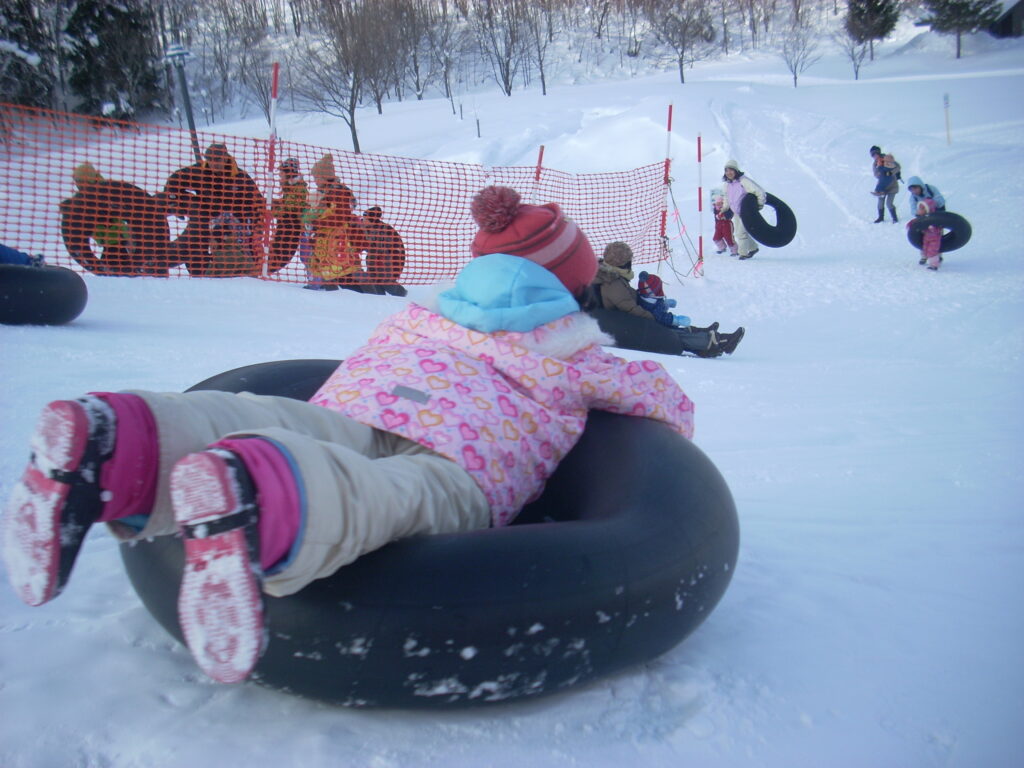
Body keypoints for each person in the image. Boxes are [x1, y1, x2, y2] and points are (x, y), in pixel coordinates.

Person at [2, 184, 696, 686]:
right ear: (569, 285)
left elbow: (358, 369)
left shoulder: (424, 312)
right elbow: (666, 403)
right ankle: (256, 497)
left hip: (362, 402)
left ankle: (116, 441)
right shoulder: (574, 348)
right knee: (392, 494)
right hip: (465, 458)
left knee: (276, 418)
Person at [590, 241, 744, 357]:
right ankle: (716, 342)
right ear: (623, 263)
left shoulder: (612, 277)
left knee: (667, 325)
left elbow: (630, 299)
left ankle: (701, 335)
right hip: (626, 323)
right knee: (667, 333)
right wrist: (651, 316)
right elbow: (628, 307)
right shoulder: (612, 283)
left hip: (626, 319)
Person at [160, 143, 266, 277]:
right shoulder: (199, 172)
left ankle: (248, 277)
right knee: (202, 243)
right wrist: (177, 205)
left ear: (226, 158)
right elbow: (174, 180)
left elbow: (257, 202)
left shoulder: (240, 177)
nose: (214, 163)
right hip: (209, 219)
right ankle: (207, 274)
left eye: (217, 160)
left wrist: (257, 225)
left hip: (238, 222)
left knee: (241, 252)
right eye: (210, 159)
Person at [301, 154, 366, 290]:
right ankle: (331, 292)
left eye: (317, 178)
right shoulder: (324, 192)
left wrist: (318, 222)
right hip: (326, 240)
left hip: (339, 238)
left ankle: (371, 295)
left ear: (325, 176)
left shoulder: (337, 191)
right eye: (315, 178)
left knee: (348, 270)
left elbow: (339, 215)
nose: (315, 181)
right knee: (329, 269)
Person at [267, 157, 308, 273]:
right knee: (273, 255)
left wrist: (271, 210)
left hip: (290, 231)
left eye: (282, 174)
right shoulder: (290, 188)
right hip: (285, 229)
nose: (280, 178)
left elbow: (288, 210)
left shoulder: (298, 189)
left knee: (278, 257)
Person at [719, 159, 766, 260]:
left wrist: (759, 205)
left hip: (746, 213)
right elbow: (726, 198)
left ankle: (743, 254)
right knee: (740, 233)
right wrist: (724, 208)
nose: (729, 173)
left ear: (736, 171)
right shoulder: (726, 185)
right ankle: (753, 248)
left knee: (741, 233)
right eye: (726, 170)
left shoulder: (743, 181)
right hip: (736, 213)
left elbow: (760, 192)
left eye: (731, 170)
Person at [360, 206, 407, 296]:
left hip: (389, 261)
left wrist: (396, 268)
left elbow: (396, 250)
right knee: (373, 282)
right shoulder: (363, 227)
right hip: (373, 261)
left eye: (366, 218)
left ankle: (405, 296)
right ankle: (380, 300)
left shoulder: (385, 231)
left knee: (387, 283)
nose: (363, 220)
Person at [909, 198, 943, 271]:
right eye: (919, 208)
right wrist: (910, 225)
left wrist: (933, 227)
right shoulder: (921, 219)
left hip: (934, 239)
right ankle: (924, 258)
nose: (919, 210)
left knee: (932, 251)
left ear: (928, 209)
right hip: (925, 238)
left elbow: (939, 227)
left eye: (922, 208)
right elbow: (914, 223)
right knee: (924, 249)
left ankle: (934, 265)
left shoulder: (934, 219)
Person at [869, 146, 900, 223]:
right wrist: (880, 174)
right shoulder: (875, 164)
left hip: (892, 185)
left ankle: (894, 218)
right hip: (882, 186)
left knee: (889, 203)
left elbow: (897, 167)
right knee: (880, 202)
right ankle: (880, 217)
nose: (874, 156)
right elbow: (875, 174)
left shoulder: (887, 158)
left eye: (875, 154)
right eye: (872, 155)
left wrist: (890, 173)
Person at [711, 189, 738, 256]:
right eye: (717, 204)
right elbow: (716, 219)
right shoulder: (715, 210)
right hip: (719, 226)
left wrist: (724, 216)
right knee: (716, 238)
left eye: (720, 203)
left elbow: (730, 215)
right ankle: (722, 247)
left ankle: (734, 251)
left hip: (727, 225)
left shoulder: (727, 208)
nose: (719, 205)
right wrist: (716, 225)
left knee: (729, 238)